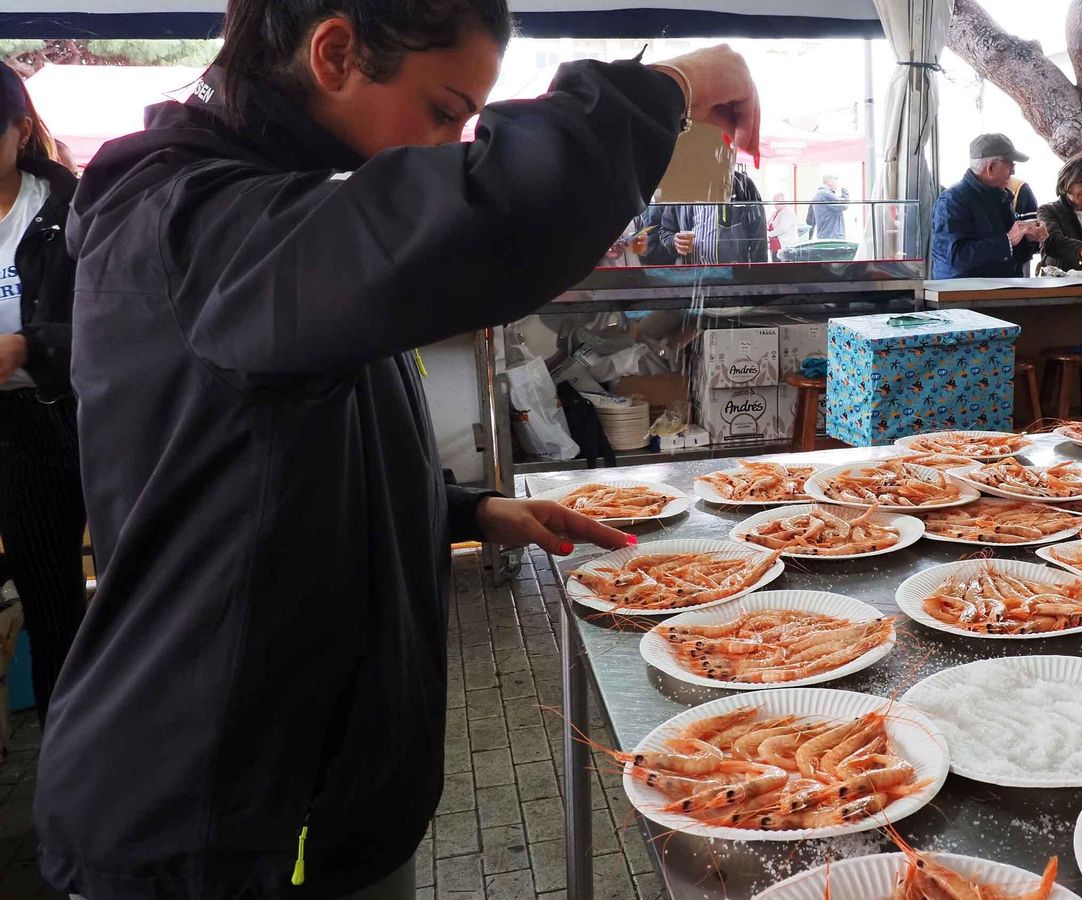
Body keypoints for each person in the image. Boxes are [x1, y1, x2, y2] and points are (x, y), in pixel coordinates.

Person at [36, 0, 759, 896]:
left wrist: (469, 509)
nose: (453, 142)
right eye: (446, 110)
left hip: (331, 790)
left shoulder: (270, 214)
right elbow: (502, 211)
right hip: (220, 818)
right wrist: (679, 84)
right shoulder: (189, 222)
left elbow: (269, 467)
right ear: (335, 52)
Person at [0, 64, 85, 730]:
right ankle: (69, 760)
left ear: (21, 130)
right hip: (11, 436)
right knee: (49, 599)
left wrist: (30, 346)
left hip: (88, 416)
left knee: (138, 584)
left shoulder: (70, 208)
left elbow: (115, 318)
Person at [929, 133, 1046, 279]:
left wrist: (1029, 239)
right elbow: (956, 257)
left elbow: (1013, 255)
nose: (1013, 171)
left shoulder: (1002, 197)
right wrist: (1008, 241)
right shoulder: (952, 201)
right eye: (1010, 164)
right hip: (961, 295)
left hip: (1000, 291)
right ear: (991, 167)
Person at [806, 174, 848, 240]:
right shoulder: (825, 193)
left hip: (825, 236)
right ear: (830, 182)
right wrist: (846, 194)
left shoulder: (820, 195)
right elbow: (844, 205)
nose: (837, 183)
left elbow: (810, 221)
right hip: (832, 237)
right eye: (836, 180)